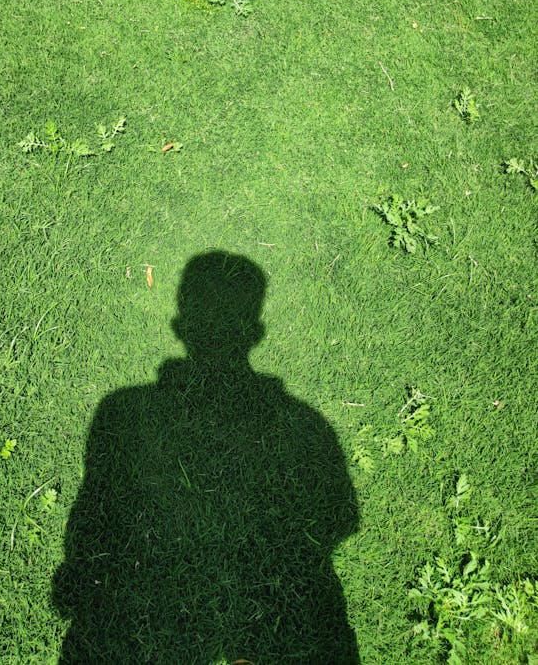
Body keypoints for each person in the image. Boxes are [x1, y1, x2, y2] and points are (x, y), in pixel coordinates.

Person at [53, 251, 359, 663]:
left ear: (181, 326)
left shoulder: (124, 409)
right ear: (255, 332)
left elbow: (95, 514)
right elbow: (339, 518)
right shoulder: (304, 424)